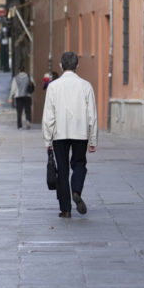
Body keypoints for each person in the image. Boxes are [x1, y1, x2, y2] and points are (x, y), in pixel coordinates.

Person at [42, 51, 98, 218]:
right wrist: (93, 138)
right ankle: (76, 190)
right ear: (77, 66)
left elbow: (48, 115)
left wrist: (47, 138)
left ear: (60, 65)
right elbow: (92, 115)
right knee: (80, 163)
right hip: (80, 132)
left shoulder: (53, 86)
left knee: (63, 169)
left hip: (59, 133)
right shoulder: (86, 86)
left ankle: (65, 209)